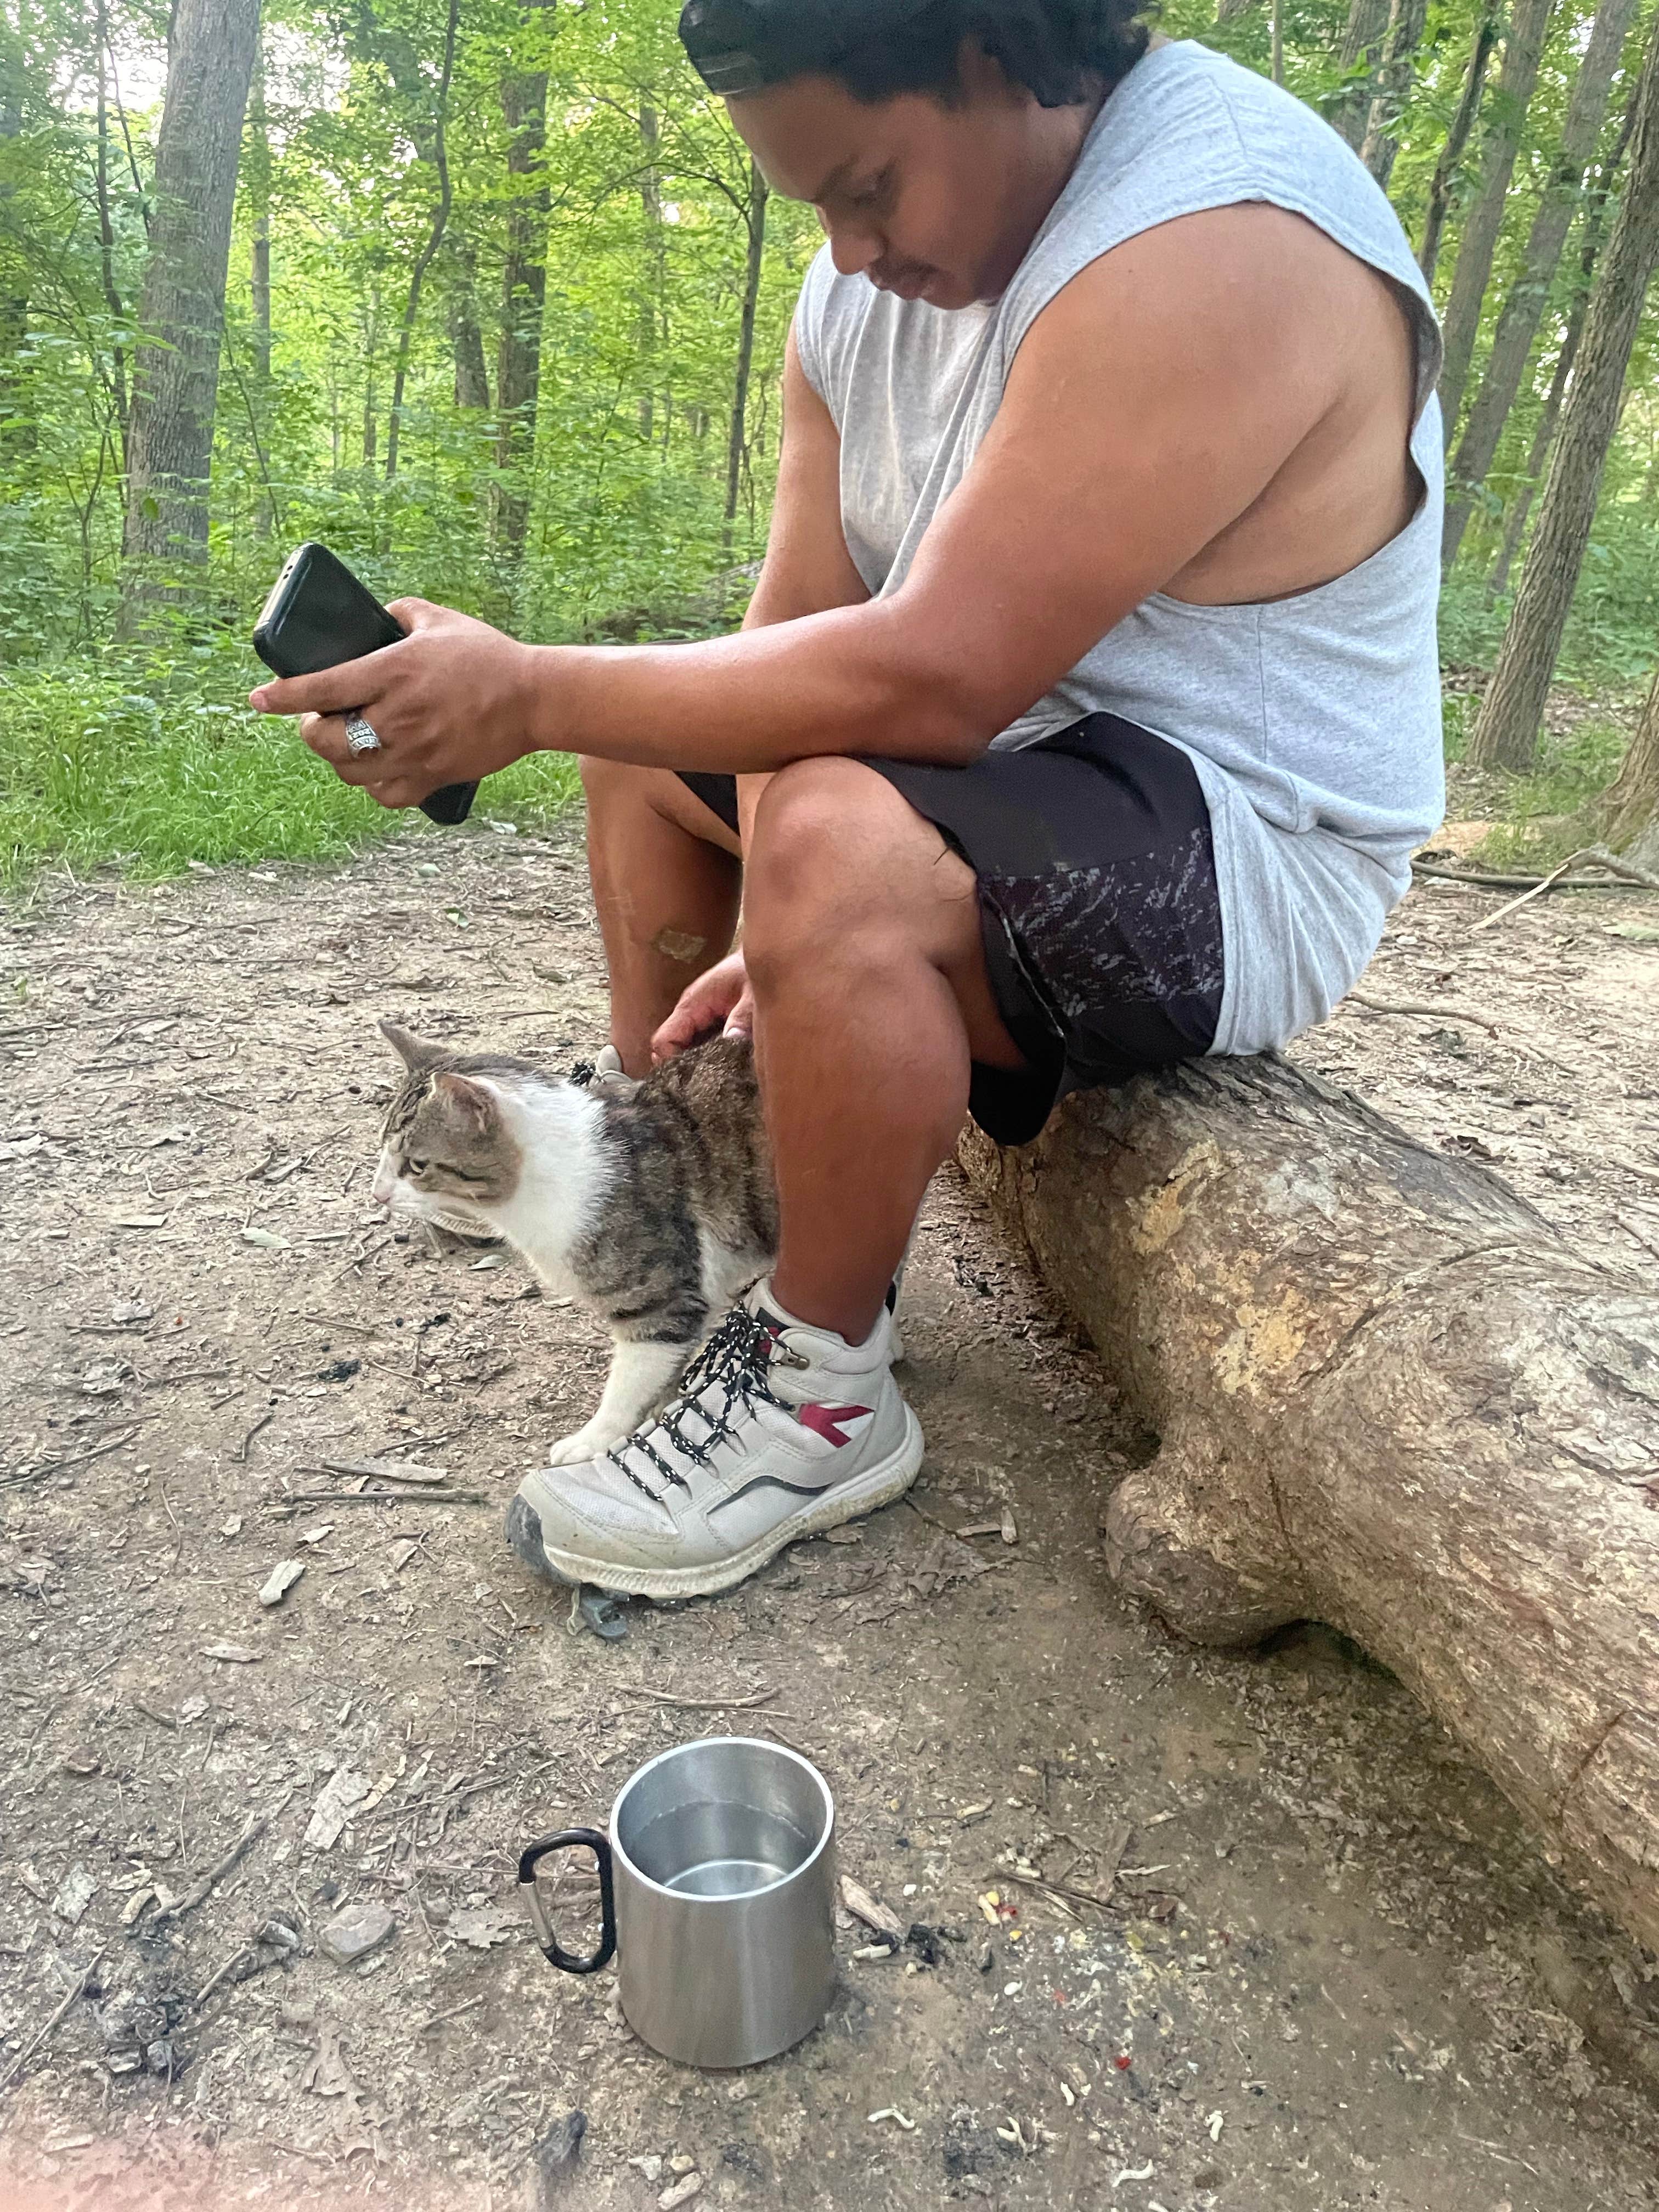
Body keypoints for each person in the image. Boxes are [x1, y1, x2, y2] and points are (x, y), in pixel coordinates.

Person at [250, 0, 1444, 1602]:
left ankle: (823, 1383)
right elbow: (796, 638)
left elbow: (931, 680)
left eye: (869, 186)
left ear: (988, 55)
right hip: (1002, 783)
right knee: (649, 758)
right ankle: (680, 1183)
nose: (851, 249)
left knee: (806, 821)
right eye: (814, 204)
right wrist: (791, 945)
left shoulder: (1221, 239)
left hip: (1241, 839)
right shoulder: (857, 294)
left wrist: (537, 703)